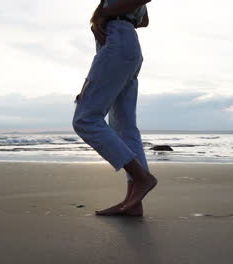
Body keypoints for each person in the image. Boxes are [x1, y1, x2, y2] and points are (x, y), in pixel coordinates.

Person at [72, 0, 157, 216]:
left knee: (85, 119)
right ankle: (133, 203)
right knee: (124, 126)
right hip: (125, 41)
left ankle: (141, 177)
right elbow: (144, 20)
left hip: (118, 39)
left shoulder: (107, 13)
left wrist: (104, 14)